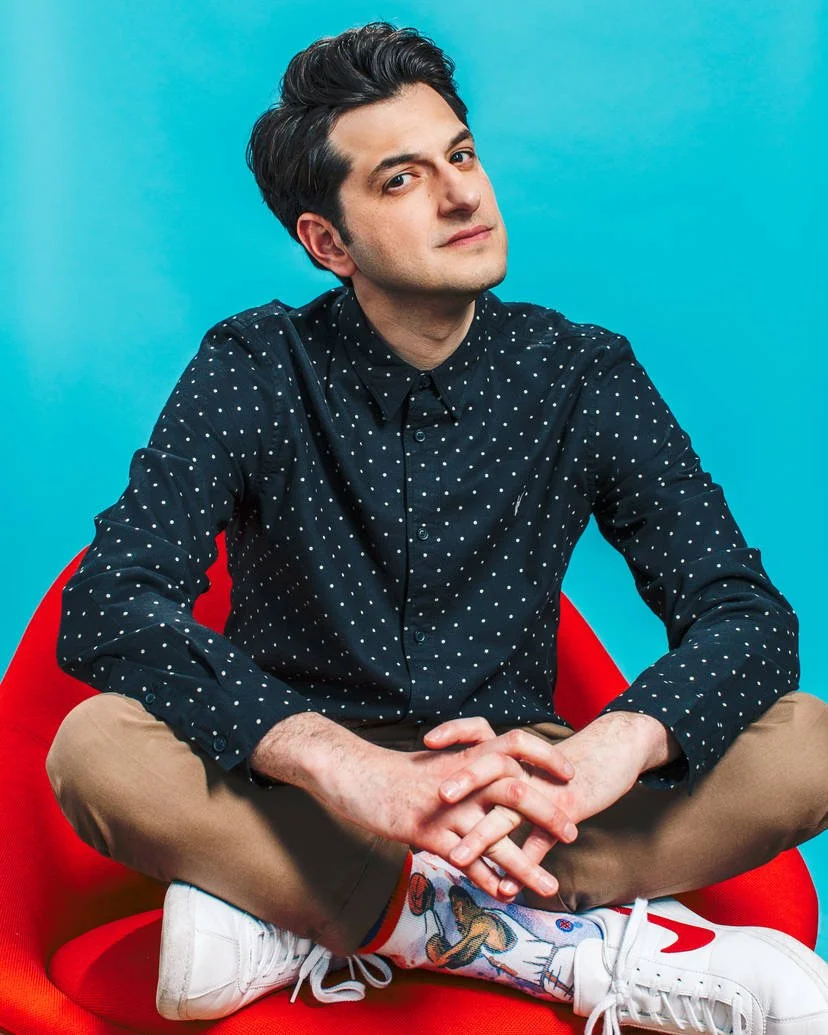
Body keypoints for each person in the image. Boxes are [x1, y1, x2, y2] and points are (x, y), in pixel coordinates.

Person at [45, 21, 828, 1034]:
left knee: (808, 742)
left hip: (529, 792)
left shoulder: (583, 372)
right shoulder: (254, 366)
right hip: (312, 791)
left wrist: (608, 751)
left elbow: (746, 615)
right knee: (95, 747)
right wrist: (348, 768)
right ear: (328, 243)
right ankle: (541, 942)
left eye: (461, 156)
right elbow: (111, 601)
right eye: (403, 180)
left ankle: (335, 917)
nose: (462, 195)